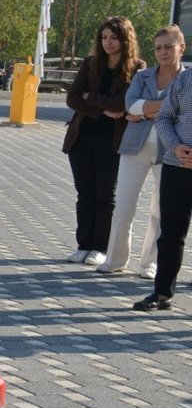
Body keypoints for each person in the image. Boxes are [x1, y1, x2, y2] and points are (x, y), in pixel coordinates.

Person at [99, 25, 185, 277]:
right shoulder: (143, 76)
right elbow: (130, 106)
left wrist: (145, 110)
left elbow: (182, 111)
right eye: (158, 48)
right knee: (123, 207)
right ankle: (114, 260)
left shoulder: (186, 80)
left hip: (169, 151)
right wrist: (163, 110)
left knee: (159, 211)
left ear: (182, 48)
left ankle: (149, 264)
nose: (163, 52)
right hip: (133, 147)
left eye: (169, 47)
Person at [63, 17, 144, 267]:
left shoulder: (136, 67)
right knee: (85, 193)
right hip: (83, 137)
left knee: (105, 195)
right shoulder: (90, 64)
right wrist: (102, 110)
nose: (108, 42)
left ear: (125, 39)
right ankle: (83, 245)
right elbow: (73, 98)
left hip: (112, 140)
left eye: (113, 37)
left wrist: (92, 97)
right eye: (104, 37)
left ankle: (100, 247)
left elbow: (124, 103)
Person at [133, 47, 192, 311]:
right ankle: (162, 293)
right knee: (170, 234)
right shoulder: (184, 79)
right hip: (176, 165)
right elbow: (165, 117)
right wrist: (175, 147)